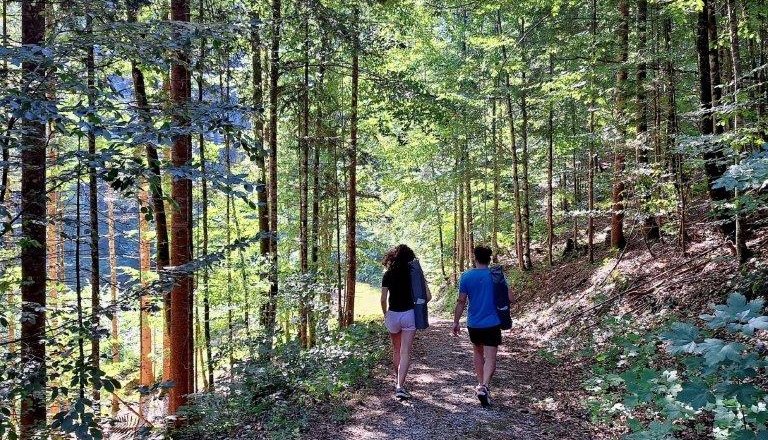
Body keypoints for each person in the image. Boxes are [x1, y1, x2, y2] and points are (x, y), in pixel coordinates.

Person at [452, 245, 512, 407]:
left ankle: (480, 386)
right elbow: (510, 297)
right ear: (489, 259)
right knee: (491, 357)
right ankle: (485, 386)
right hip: (493, 323)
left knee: (478, 353)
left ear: (475, 258)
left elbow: (461, 301)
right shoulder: (496, 275)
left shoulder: (466, 276)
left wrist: (456, 322)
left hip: (474, 323)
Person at [380, 244, 431, 399]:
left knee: (396, 350)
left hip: (393, 315)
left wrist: (385, 314)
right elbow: (427, 297)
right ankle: (400, 386)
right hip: (409, 315)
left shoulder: (388, 274)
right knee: (405, 352)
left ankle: (398, 381)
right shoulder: (415, 274)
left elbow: (383, 299)